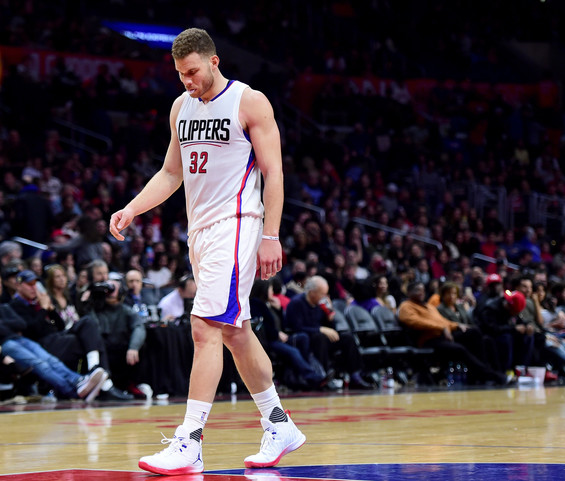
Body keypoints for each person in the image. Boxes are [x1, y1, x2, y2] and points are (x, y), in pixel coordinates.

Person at [109, 28, 305, 475]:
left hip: (238, 224)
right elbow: (170, 173)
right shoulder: (181, 107)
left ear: (214, 61)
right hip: (200, 231)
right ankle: (279, 424)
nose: (187, 81)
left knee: (204, 328)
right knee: (234, 331)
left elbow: (274, 172)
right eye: (180, 74)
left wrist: (272, 235)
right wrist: (132, 208)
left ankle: (190, 440)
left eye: (193, 71)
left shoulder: (249, 101)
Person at [397, 282, 508, 385]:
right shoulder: (406, 306)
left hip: (442, 336)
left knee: (476, 334)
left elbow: (443, 321)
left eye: (422, 290)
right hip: (428, 340)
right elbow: (415, 322)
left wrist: (457, 325)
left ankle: (487, 373)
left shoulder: (429, 307)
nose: (421, 293)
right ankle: (490, 375)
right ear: (409, 292)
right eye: (417, 290)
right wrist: (442, 328)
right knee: (460, 349)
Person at [0, 303, 107, 401]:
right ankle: (72, 392)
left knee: (51, 360)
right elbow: (16, 325)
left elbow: (21, 324)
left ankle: (78, 381)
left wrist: (4, 325)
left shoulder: (4, 307)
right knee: (40, 364)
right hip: (5, 344)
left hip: (20, 339)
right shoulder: (11, 305)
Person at [284, 275, 373, 389]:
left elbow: (330, 329)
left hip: (321, 339)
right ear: (312, 292)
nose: (325, 297)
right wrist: (319, 329)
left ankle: (355, 376)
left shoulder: (320, 305)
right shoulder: (296, 303)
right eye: (322, 294)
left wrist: (330, 317)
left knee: (347, 338)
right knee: (319, 337)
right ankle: (323, 377)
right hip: (306, 340)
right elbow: (296, 328)